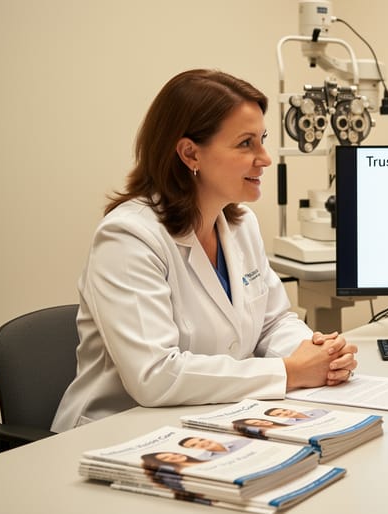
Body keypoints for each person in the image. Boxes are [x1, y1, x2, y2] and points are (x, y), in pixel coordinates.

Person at [52, 69, 358, 433]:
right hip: (116, 431)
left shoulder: (240, 225)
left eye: (262, 140)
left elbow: (273, 322)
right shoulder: (128, 237)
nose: (264, 158)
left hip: (210, 420)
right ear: (190, 153)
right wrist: (289, 372)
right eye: (245, 143)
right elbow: (155, 375)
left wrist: (320, 353)